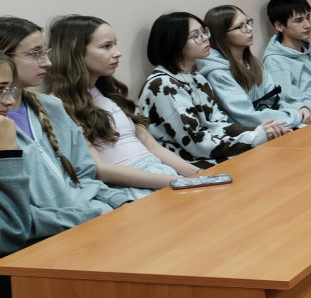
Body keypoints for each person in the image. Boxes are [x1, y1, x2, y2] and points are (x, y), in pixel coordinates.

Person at [0, 16, 143, 229]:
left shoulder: (51, 107)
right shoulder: (4, 125)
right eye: (34, 54)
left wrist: (119, 201)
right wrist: (89, 217)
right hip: (52, 232)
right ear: (4, 57)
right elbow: (18, 220)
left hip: (91, 214)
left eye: (45, 53)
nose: (47, 62)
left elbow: (85, 175)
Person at [46, 15, 199, 190]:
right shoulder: (59, 105)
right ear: (76, 52)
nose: (117, 53)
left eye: (115, 44)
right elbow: (101, 170)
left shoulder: (110, 92)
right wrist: (174, 182)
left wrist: (197, 175)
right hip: (128, 186)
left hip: (160, 172)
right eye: (106, 46)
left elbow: (153, 147)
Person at [137, 13, 287, 168]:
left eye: (204, 32)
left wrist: (260, 130)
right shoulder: (163, 85)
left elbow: (218, 124)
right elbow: (196, 143)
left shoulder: (198, 79)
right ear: (174, 44)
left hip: (211, 153)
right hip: (186, 164)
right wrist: (253, 138)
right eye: (195, 36)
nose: (205, 38)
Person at [200, 5, 311, 130]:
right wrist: (295, 116)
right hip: (248, 135)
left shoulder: (254, 63)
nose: (250, 29)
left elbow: (274, 100)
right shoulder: (217, 74)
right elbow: (247, 118)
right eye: (241, 26)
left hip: (272, 128)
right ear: (222, 35)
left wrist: (298, 108)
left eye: (248, 23)